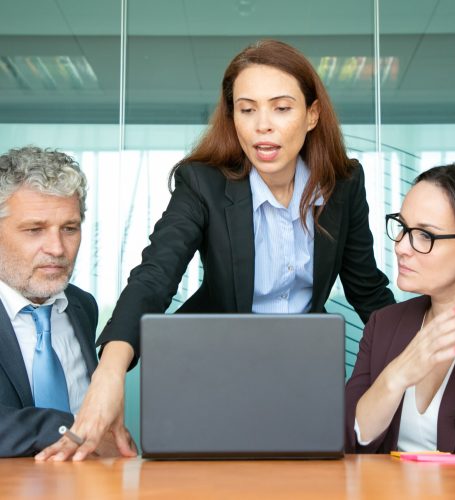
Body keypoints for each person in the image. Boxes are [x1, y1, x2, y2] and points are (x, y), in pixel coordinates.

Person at [38, 39, 395, 461]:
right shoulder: (203, 182)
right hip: (210, 369)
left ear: (312, 114)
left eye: (281, 108)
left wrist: (424, 355)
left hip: (303, 372)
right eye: (247, 109)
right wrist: (109, 371)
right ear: (233, 117)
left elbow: (366, 289)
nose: (263, 125)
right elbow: (155, 276)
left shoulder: (344, 183)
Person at [345, 162, 455, 453]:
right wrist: (396, 377)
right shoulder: (384, 323)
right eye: (402, 227)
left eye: (425, 235)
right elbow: (348, 441)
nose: (402, 246)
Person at [0, 146, 134, 457]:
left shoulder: (81, 306)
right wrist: (77, 429)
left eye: (69, 229)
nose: (58, 248)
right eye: (35, 230)